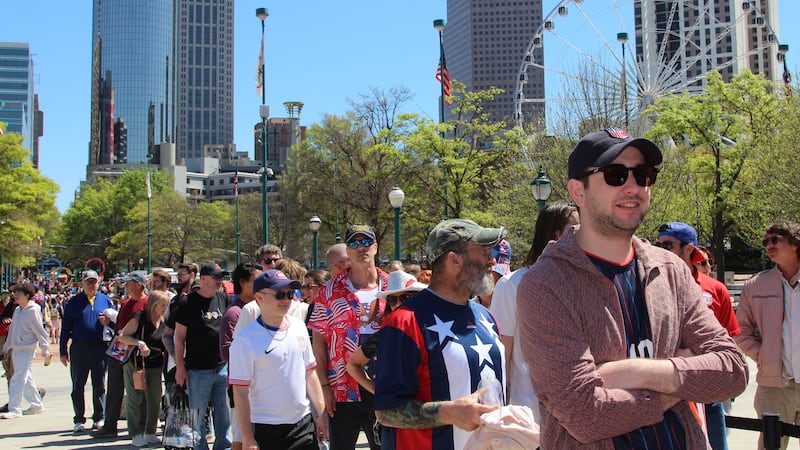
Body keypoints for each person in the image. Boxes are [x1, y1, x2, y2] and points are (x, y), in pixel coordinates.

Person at [516, 128, 748, 448]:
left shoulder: (670, 270)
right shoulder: (545, 285)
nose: (633, 186)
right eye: (614, 175)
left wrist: (635, 371)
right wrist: (679, 382)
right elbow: (585, 415)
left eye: (643, 175)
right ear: (577, 192)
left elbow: (732, 370)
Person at [374, 219, 507, 449]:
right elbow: (386, 411)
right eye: (484, 251)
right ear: (454, 259)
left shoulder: (486, 317)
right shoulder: (404, 323)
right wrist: (449, 413)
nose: (492, 260)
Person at [489, 201, 578, 420]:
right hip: (529, 420)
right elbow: (502, 355)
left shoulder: (585, 286)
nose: (585, 234)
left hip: (577, 416)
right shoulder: (511, 285)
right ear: (554, 234)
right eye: (575, 228)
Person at [657, 221, 740, 450]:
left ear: (689, 248)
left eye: (669, 245)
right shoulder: (647, 285)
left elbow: (729, 339)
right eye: (660, 244)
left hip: (707, 391)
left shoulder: (715, 289)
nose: (661, 250)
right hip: (666, 389)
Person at [308, 224, 389, 450]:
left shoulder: (392, 286)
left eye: (366, 242)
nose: (360, 247)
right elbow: (319, 343)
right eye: (354, 243)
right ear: (348, 250)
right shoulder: (329, 291)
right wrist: (324, 387)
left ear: (375, 247)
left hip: (383, 387)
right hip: (342, 389)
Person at [229, 269, 328, 450]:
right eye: (279, 294)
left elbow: (310, 373)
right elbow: (240, 392)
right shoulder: (245, 340)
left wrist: (321, 414)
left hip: (302, 425)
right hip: (264, 428)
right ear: (259, 298)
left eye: (290, 294)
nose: (286, 300)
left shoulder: (299, 327)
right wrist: (247, 437)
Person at [735, 220, 800, 449]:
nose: (768, 245)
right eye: (765, 241)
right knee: (771, 445)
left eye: (775, 240)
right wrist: (763, 355)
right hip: (774, 386)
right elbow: (739, 330)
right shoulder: (756, 285)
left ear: (794, 243)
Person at [173, 263, 231, 450]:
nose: (219, 281)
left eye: (220, 278)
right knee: (198, 415)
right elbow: (179, 337)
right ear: (203, 279)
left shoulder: (223, 298)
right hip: (198, 369)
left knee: (224, 413)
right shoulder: (187, 303)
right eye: (215, 277)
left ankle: (224, 446)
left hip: (222, 366)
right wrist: (180, 367)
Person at [346, 270, 426, 394]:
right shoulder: (385, 336)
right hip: (398, 409)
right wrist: (376, 391)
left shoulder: (434, 329)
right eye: (393, 300)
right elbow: (353, 364)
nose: (399, 304)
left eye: (406, 297)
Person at [93, 270, 149, 439]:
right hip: (118, 351)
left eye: (129, 283)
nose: (126, 286)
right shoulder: (126, 303)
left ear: (139, 285)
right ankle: (110, 425)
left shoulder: (147, 303)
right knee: (114, 389)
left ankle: (141, 426)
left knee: (138, 392)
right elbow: (120, 326)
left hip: (135, 354)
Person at [60, 270, 116, 433]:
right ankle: (79, 418)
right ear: (82, 284)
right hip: (79, 348)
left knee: (99, 384)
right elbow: (65, 328)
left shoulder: (106, 300)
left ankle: (99, 417)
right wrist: (63, 350)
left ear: (99, 283)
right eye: (88, 282)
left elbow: (116, 323)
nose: (92, 285)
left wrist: (108, 323)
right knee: (78, 384)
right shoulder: (74, 302)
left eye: (94, 282)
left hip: (100, 347)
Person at [117, 291, 170, 447]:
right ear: (153, 304)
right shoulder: (139, 318)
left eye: (166, 305)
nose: (164, 308)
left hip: (155, 364)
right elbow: (123, 336)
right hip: (136, 364)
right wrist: (139, 343)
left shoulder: (163, 321)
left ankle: (150, 431)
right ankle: (135, 433)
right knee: (135, 398)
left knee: (154, 398)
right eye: (162, 305)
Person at [219, 262, 262, 450]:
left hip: (259, 388)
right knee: (240, 438)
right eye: (256, 280)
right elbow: (227, 352)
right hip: (241, 388)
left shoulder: (260, 309)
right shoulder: (234, 313)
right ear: (243, 282)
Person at [0, 283, 50, 419]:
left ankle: (15, 408)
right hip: (16, 348)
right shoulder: (17, 310)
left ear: (28, 295)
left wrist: (45, 348)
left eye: (19, 294)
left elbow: (40, 331)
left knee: (17, 378)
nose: (15, 296)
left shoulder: (33, 310)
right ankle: (36, 404)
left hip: (26, 349)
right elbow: (12, 330)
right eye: (15, 293)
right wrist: (6, 347)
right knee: (26, 378)